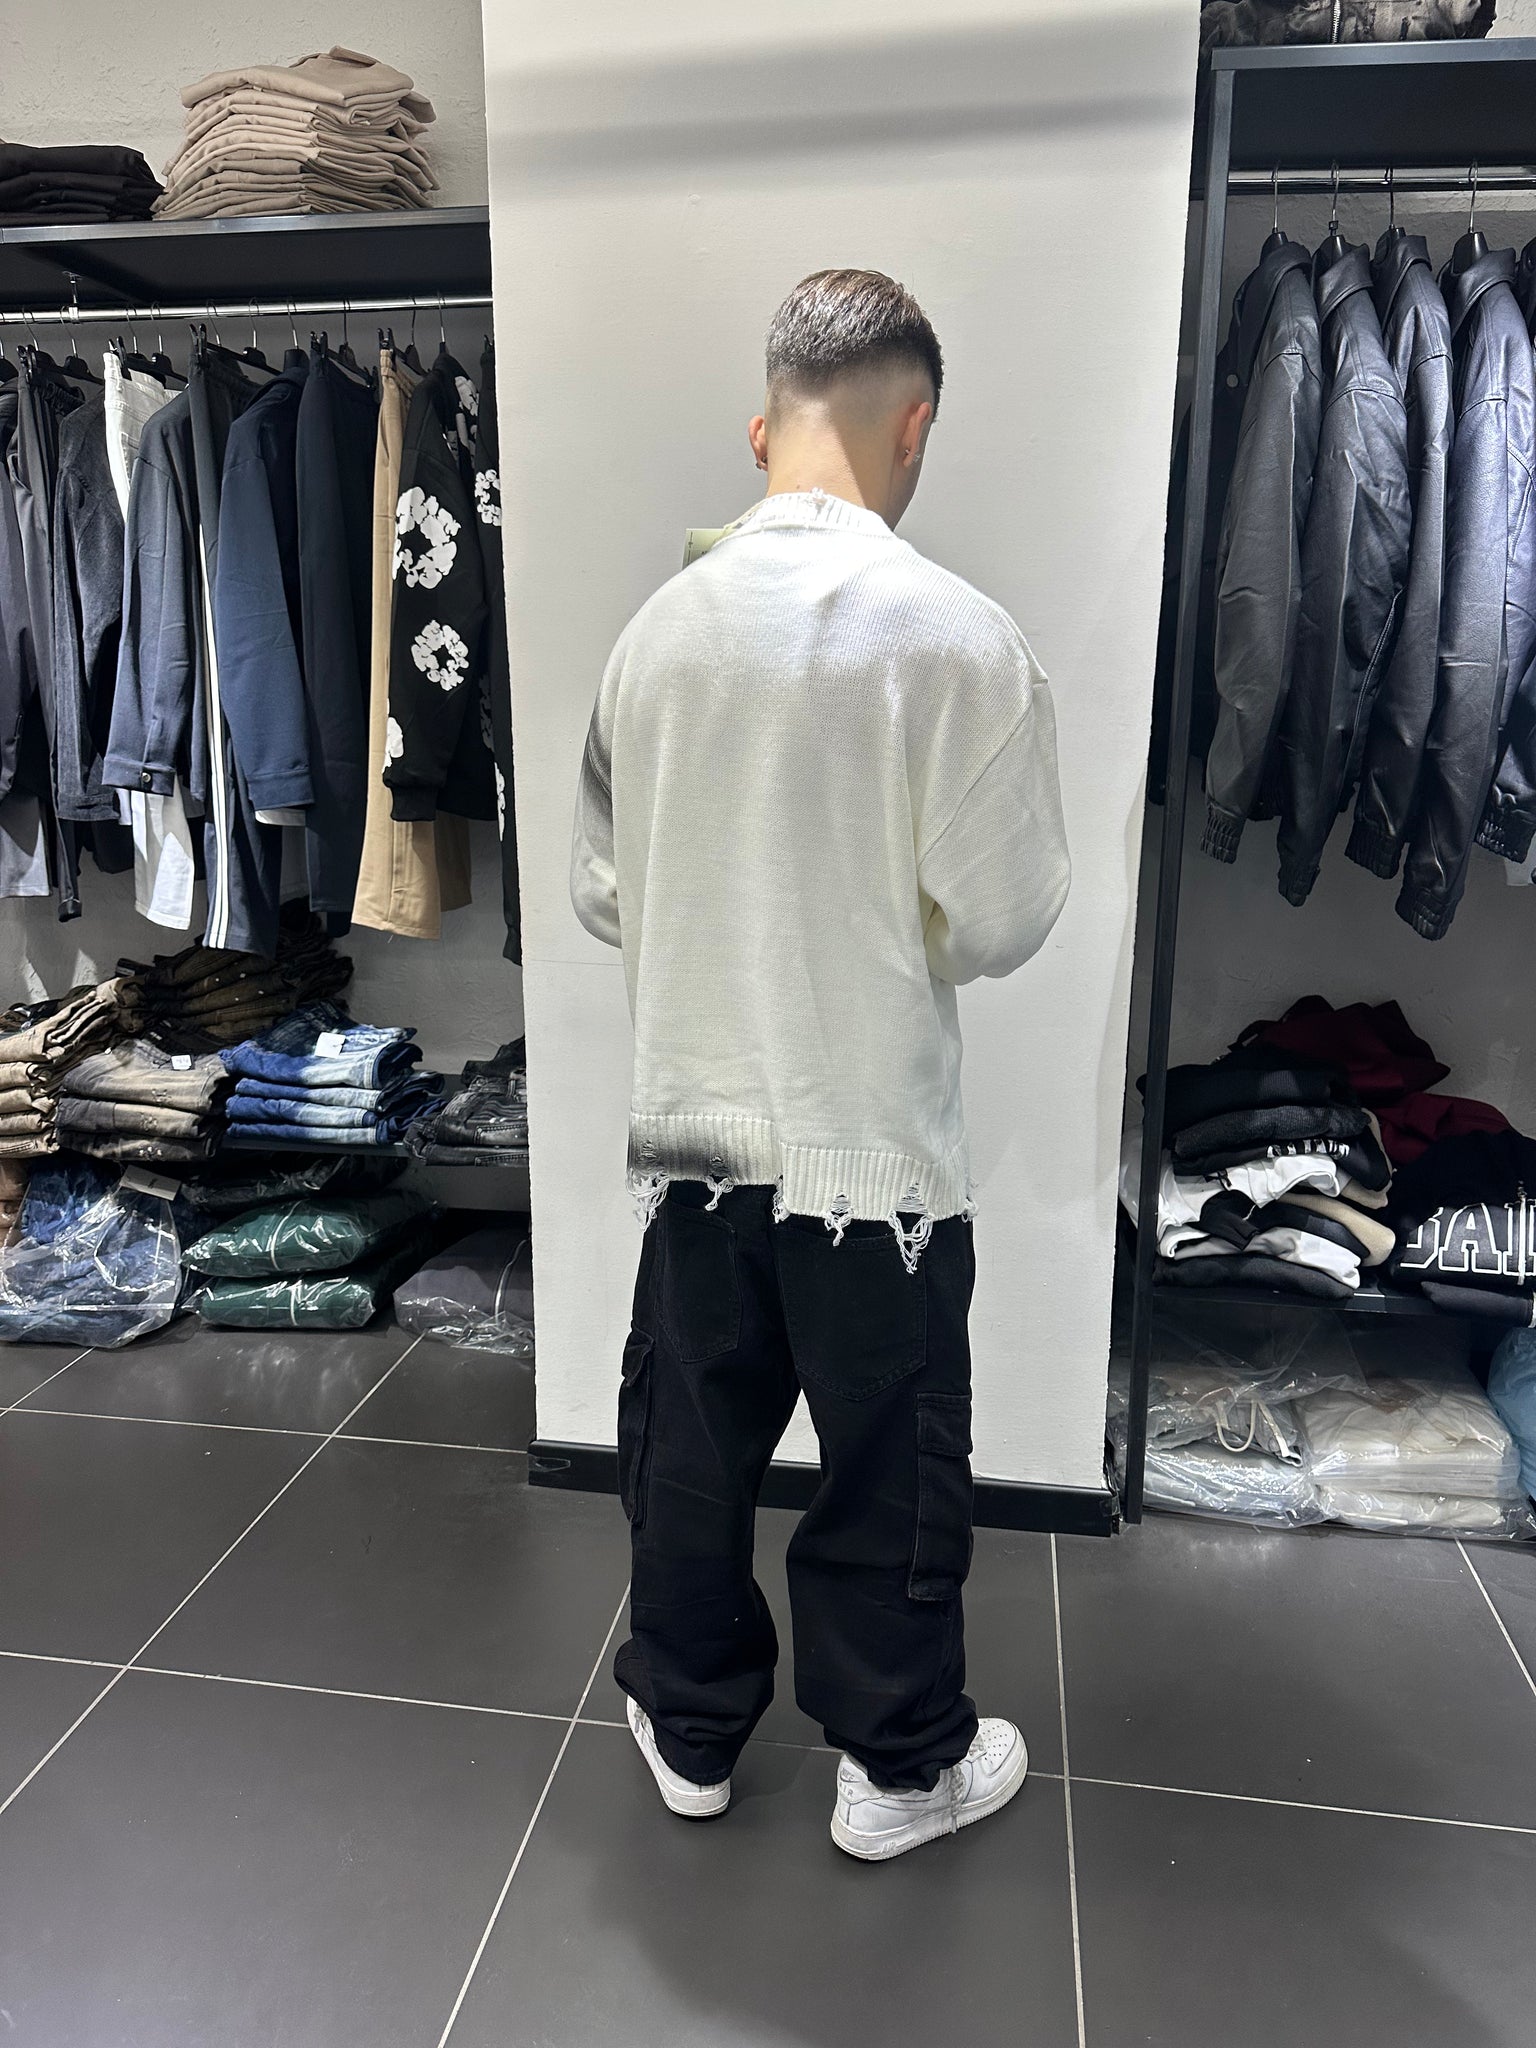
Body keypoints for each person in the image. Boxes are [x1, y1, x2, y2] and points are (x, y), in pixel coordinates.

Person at [570, 268, 1070, 1861]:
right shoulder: (962, 643)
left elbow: (602, 891)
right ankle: (898, 1769)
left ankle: (691, 1727)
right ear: (912, 427)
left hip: (696, 1129)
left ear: (759, 430)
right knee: (888, 1461)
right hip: (876, 1151)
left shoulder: (652, 641)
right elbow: (1003, 918)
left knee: (692, 1444)